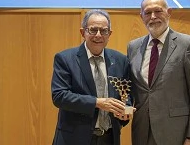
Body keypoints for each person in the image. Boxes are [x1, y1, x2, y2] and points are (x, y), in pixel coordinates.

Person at [127, 0, 190, 145]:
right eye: (148, 12)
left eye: (158, 11)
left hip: (176, 134)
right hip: (142, 132)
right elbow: (131, 89)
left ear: (169, 12)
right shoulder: (133, 47)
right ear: (141, 16)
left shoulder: (187, 45)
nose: (153, 17)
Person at [51, 9, 133, 145]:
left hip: (109, 138)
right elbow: (59, 96)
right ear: (83, 32)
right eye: (93, 30)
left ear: (109, 34)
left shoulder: (120, 60)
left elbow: (125, 93)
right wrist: (97, 102)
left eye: (104, 31)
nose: (99, 35)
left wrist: (125, 110)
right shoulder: (65, 59)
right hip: (74, 139)